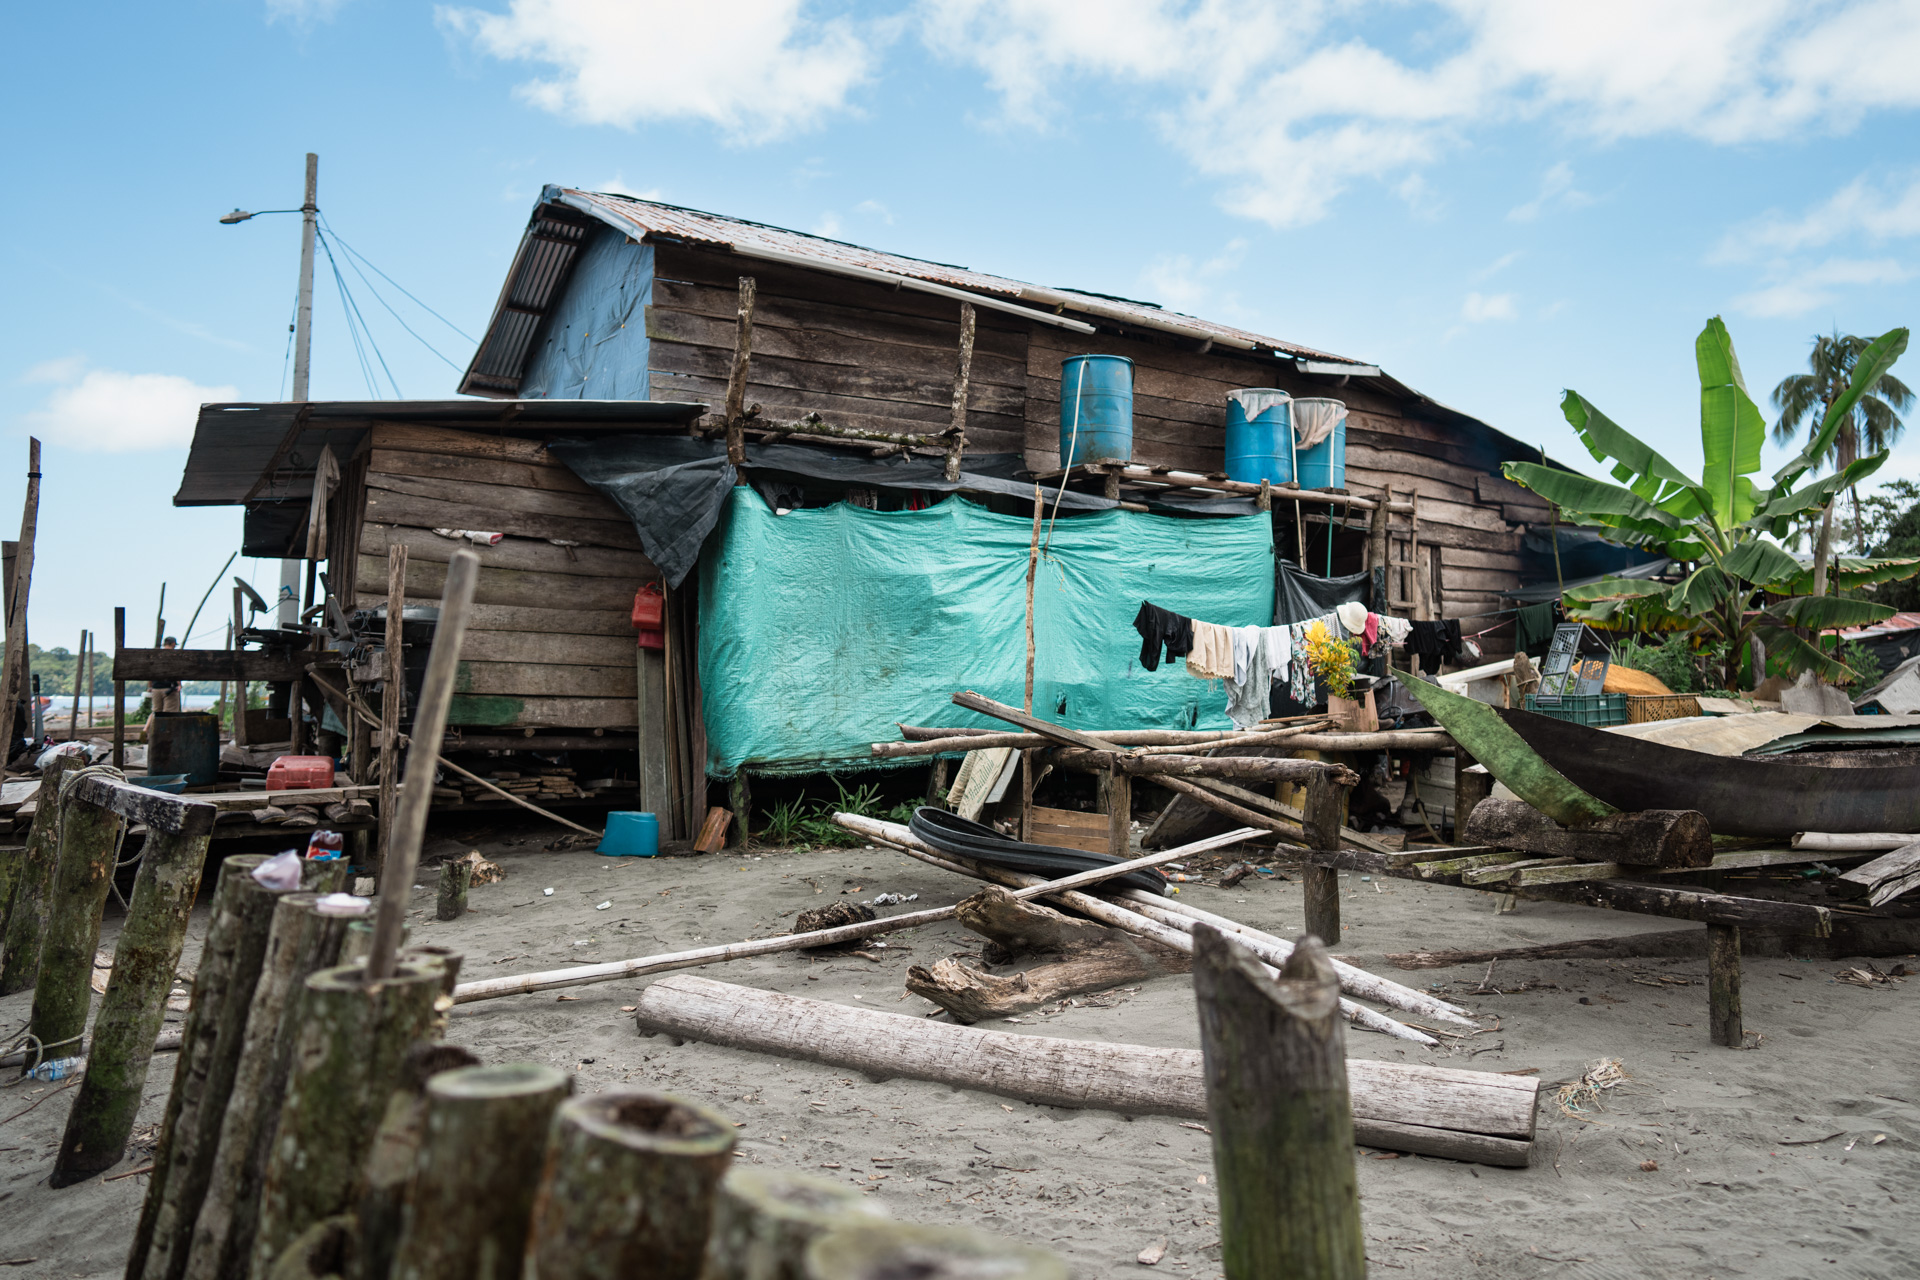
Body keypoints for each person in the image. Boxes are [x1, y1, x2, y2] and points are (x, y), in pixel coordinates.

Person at [150, 636, 181, 714]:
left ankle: (155, 726)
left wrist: (150, 686)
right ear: (173, 644)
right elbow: (176, 670)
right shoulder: (174, 655)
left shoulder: (156, 655)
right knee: (170, 713)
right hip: (169, 688)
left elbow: (150, 672)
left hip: (156, 687)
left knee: (156, 712)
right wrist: (179, 684)